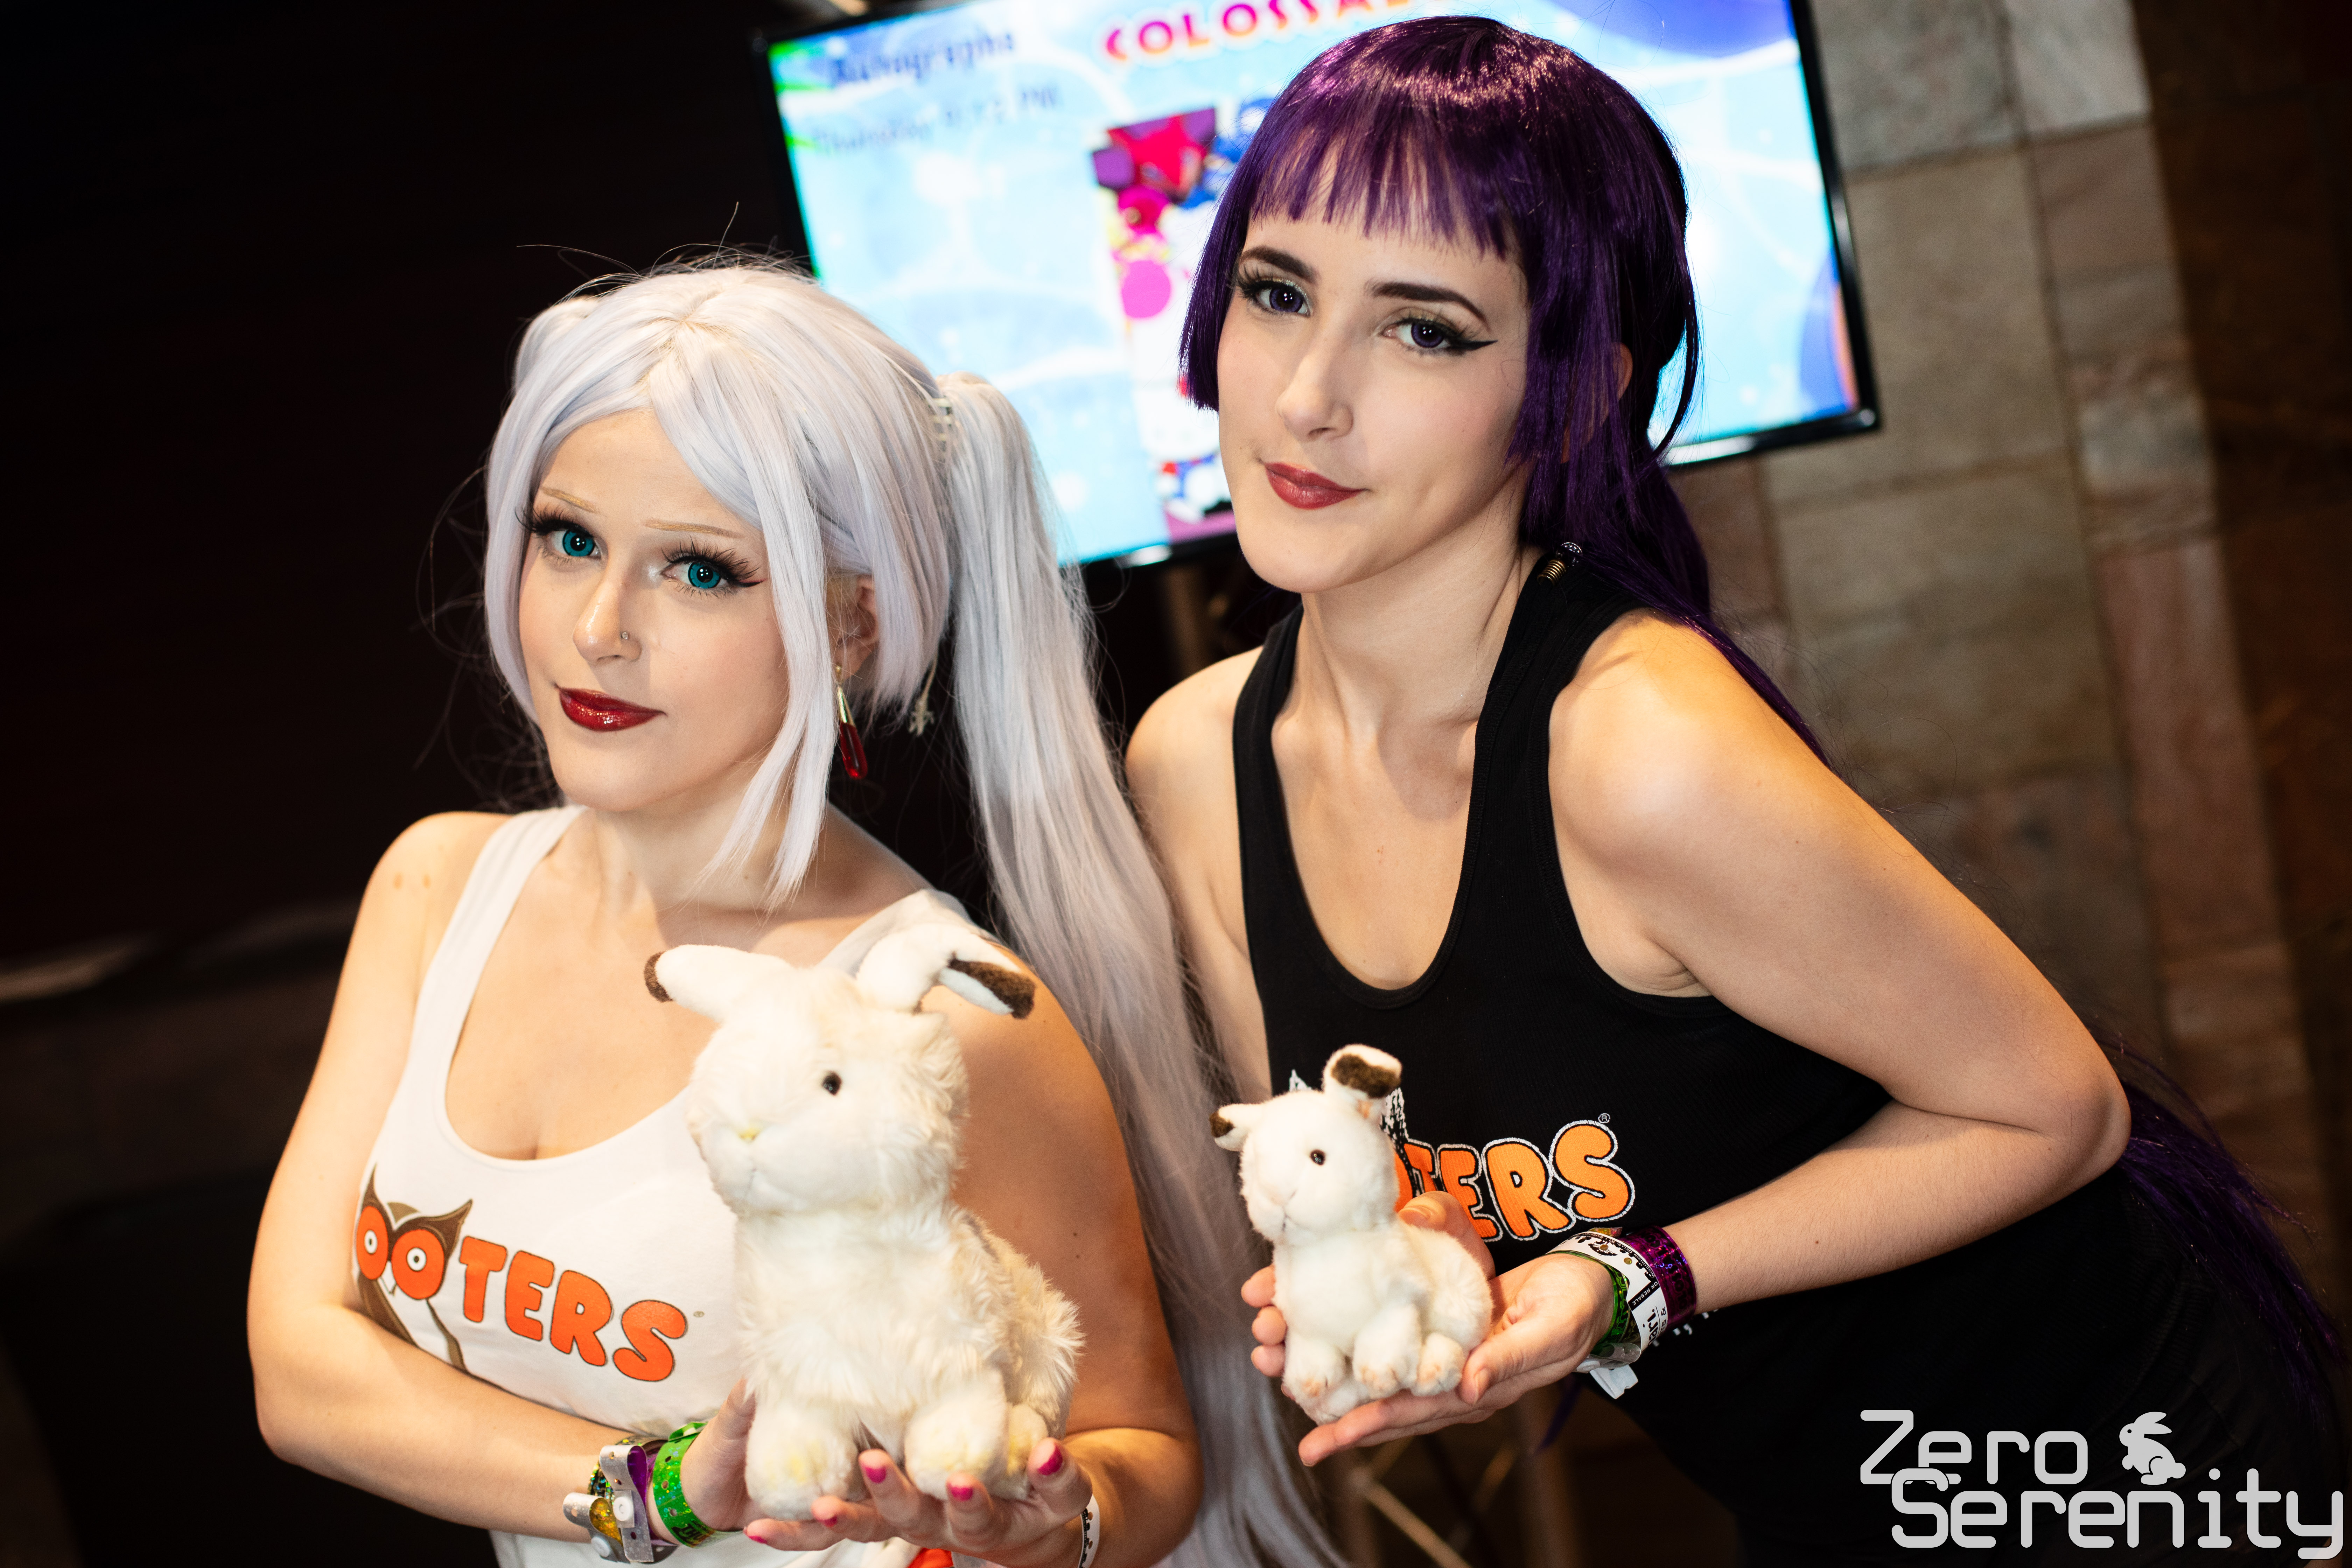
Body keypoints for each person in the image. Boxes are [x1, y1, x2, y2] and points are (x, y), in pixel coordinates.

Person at [1129, 18, 2343, 1562]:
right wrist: (1421, 1269)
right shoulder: (1193, 766)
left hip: (2108, 1459)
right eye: (1277, 291)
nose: (1307, 396)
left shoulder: (1640, 749)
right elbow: (1385, 1173)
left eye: (1424, 331)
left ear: (1574, 394)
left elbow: (2057, 1108)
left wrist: (1627, 1282)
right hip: (1815, 1496)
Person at [248, 263, 1341, 1568]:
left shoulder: (940, 1011)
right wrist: (654, 1493)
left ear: (853, 624)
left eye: (699, 571)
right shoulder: (437, 890)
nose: (599, 628)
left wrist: (1051, 1523)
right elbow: (301, 1370)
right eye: (570, 539)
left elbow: (1143, 1448)